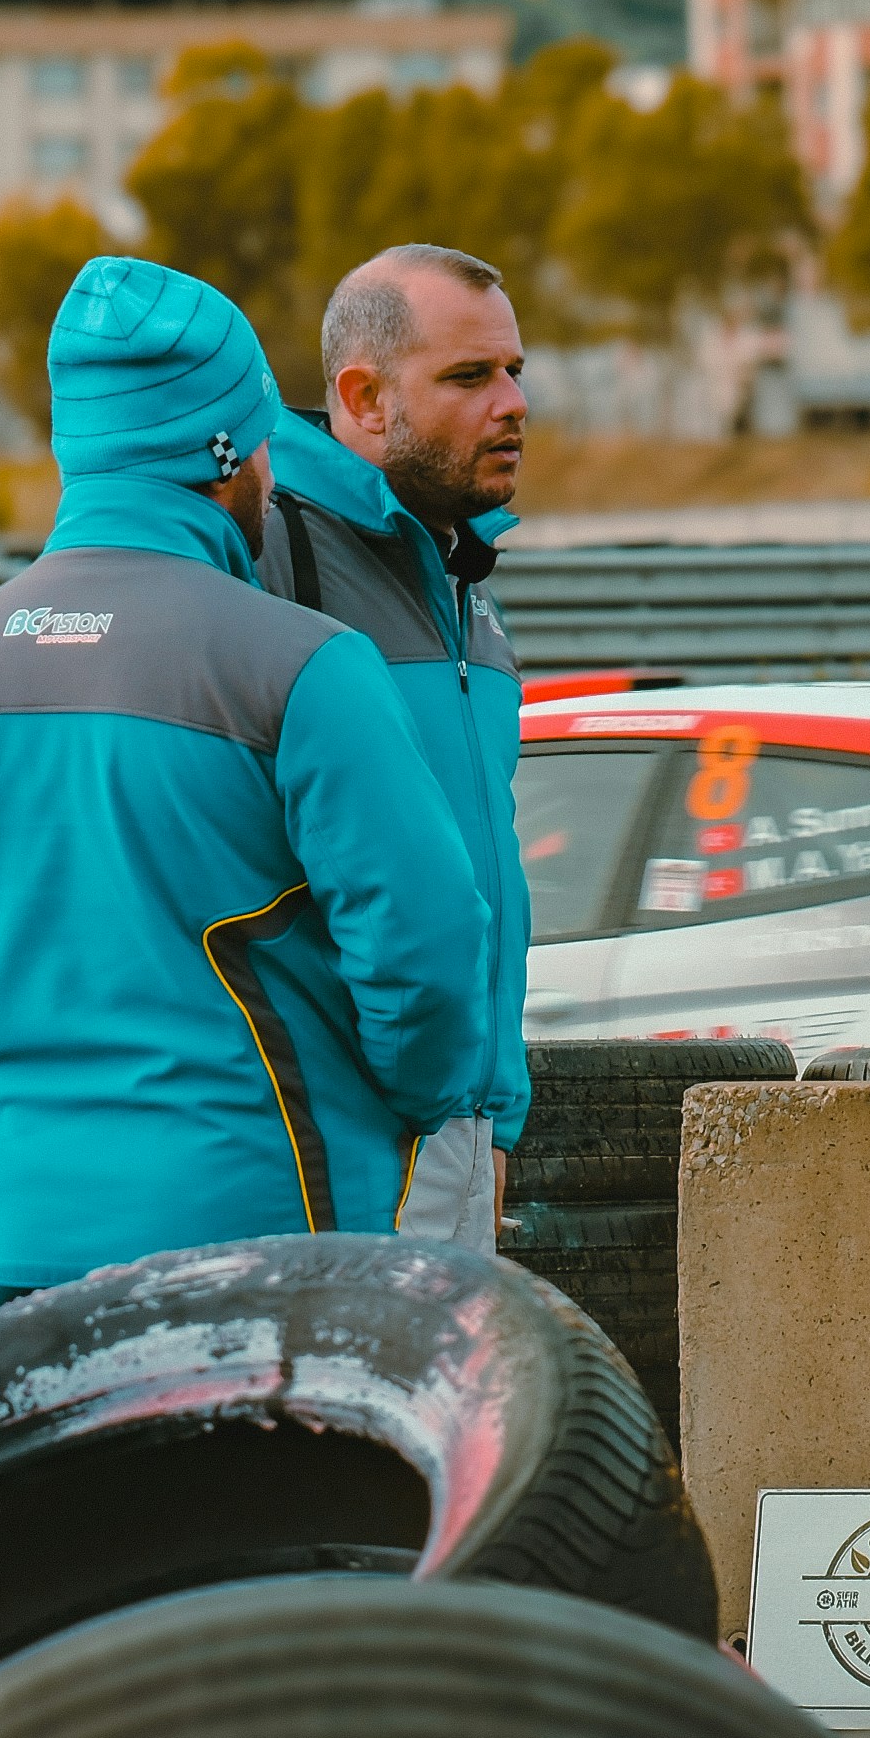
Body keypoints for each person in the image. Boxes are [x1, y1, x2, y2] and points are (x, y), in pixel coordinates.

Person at [0, 257, 493, 1307]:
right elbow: (428, 956)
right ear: (229, 453)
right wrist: (402, 1105)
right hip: (268, 1251)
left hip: (26, 1250)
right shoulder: (304, 667)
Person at [253, 245, 537, 1254]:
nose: (511, 402)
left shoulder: (467, 580)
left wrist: (493, 1112)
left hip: (461, 1127)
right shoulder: (270, 555)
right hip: (338, 1138)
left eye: (514, 370)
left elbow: (486, 869)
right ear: (363, 396)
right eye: (469, 377)